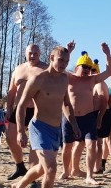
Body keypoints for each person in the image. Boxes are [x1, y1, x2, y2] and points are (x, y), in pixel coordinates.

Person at [13, 46, 80, 188]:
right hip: (39, 127)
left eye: (66, 61)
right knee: (51, 168)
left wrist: (74, 124)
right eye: (60, 60)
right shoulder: (38, 79)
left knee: (42, 169)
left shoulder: (64, 79)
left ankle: (20, 185)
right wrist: (20, 131)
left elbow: (66, 104)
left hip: (55, 129)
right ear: (51, 58)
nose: (64, 64)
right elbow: (21, 106)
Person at [5, 41, 75, 180]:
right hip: (19, 108)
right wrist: (8, 108)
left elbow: (58, 66)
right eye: (30, 53)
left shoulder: (44, 68)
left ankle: (32, 175)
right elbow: (11, 91)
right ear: (25, 54)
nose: (33, 55)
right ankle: (20, 166)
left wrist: (68, 51)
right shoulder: (19, 69)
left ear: (41, 55)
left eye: (36, 53)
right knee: (10, 138)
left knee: (34, 145)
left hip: (37, 111)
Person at [61, 45, 111, 184]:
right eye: (84, 66)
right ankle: (66, 171)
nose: (87, 70)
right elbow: (56, 66)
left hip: (88, 117)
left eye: (89, 68)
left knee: (92, 145)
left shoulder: (92, 79)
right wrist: (68, 51)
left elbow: (109, 71)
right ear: (77, 66)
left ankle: (90, 175)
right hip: (70, 117)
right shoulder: (69, 77)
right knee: (67, 147)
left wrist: (107, 54)